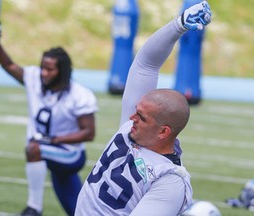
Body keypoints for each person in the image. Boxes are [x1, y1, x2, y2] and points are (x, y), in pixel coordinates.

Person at [74, 1, 211, 216]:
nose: (131, 117)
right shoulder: (133, 130)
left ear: (163, 131)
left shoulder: (169, 181)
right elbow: (146, 64)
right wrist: (179, 25)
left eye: (141, 117)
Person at [0, 19, 98, 216]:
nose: (43, 73)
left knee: (34, 149)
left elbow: (89, 133)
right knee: (79, 211)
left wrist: (55, 140)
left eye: (49, 69)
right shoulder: (34, 79)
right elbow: (8, 64)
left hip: (70, 153)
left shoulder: (79, 95)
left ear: (62, 71)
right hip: (49, 150)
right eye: (42, 67)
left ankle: (34, 208)